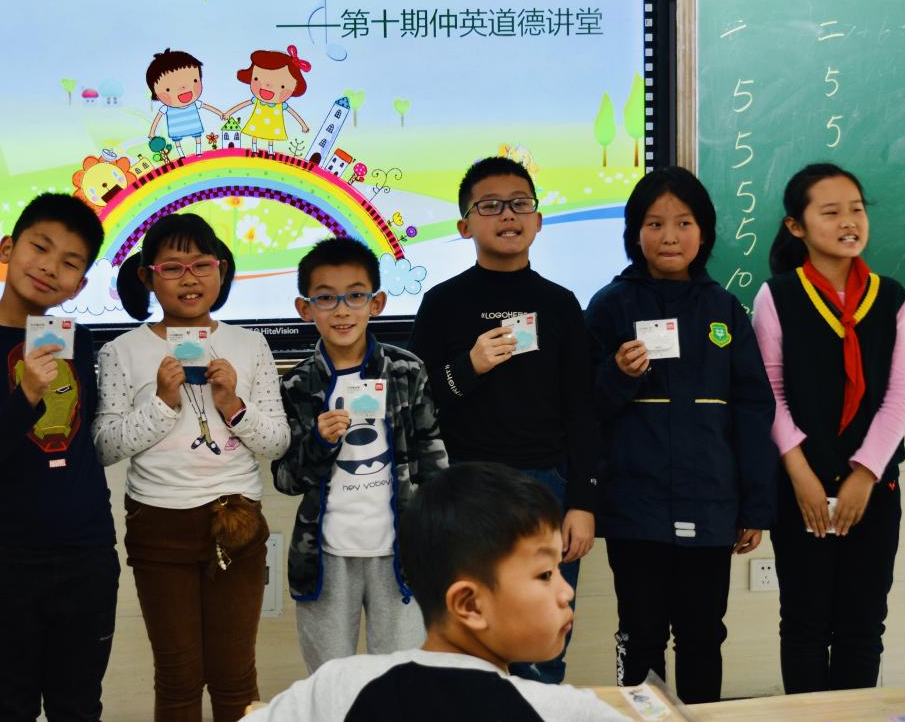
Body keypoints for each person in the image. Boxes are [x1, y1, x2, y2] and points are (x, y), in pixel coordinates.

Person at [584, 166, 777, 703]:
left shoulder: (724, 309)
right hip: (635, 507)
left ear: (704, 232)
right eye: (655, 223)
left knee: (703, 635)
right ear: (634, 233)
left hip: (711, 506)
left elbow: (754, 410)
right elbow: (583, 408)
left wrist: (756, 507)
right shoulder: (610, 305)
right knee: (640, 635)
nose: (669, 236)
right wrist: (617, 374)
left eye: (684, 223)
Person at [407, 155, 599, 683]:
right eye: (490, 205)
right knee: (464, 635)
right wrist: (467, 368)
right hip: (463, 484)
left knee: (542, 641)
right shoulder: (443, 303)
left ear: (538, 220)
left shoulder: (560, 304)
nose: (507, 215)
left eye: (519, 204)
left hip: (546, 486)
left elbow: (583, 408)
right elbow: (417, 404)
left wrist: (583, 501)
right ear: (465, 225)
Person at [92, 212, 288, 722]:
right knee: (178, 678)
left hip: (237, 520)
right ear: (147, 276)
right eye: (173, 267)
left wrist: (233, 405)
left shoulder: (250, 345)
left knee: (235, 676)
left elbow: (277, 442)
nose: (189, 278)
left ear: (221, 271)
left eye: (202, 264)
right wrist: (162, 402)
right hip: (158, 524)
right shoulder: (121, 351)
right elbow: (105, 446)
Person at [250, 462, 627, 721]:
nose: (566, 593)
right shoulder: (560, 710)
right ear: (468, 604)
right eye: (545, 574)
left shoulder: (337, 684)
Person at [0, 193, 118, 721]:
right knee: (7, 706)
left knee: (78, 706)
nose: (50, 267)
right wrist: (29, 394)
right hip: (3, 554)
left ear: (80, 285)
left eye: (70, 262)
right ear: (6, 249)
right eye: (40, 247)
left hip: (86, 550)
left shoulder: (79, 341)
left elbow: (82, 438)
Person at [752, 163, 905, 694]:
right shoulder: (777, 296)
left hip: (874, 490)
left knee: (862, 629)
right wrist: (800, 475)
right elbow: (771, 395)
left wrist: (866, 475)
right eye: (831, 212)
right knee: (804, 625)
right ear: (796, 226)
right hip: (802, 487)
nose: (849, 221)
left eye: (856, 210)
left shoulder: (891, 297)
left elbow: (899, 398)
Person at [273, 237, 448, 674]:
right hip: (324, 558)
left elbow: (433, 459)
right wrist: (319, 441)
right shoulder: (296, 385)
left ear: (377, 303)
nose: (342, 310)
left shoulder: (406, 370)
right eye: (325, 298)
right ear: (305, 309)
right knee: (331, 682)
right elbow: (285, 480)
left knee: (402, 679)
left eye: (355, 296)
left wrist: (438, 539)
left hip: (401, 555)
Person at [222, 47, 311, 153]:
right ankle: (254, 149)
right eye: (256, 79)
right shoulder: (257, 100)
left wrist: (303, 125)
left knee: (270, 136)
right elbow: (243, 105)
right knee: (255, 134)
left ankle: (270, 151)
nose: (268, 86)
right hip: (257, 123)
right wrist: (228, 113)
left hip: (273, 126)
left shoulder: (280, 105)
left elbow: (293, 113)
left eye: (282, 86)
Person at [146, 48, 224, 158]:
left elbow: (208, 107)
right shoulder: (166, 108)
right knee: (177, 141)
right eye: (168, 89)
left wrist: (220, 113)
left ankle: (198, 152)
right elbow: (157, 119)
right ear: (157, 95)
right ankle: (181, 155)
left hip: (194, 125)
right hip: (176, 129)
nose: (183, 88)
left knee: (197, 137)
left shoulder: (195, 104)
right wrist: (152, 133)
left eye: (194, 81)